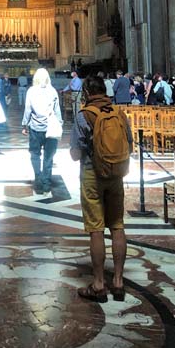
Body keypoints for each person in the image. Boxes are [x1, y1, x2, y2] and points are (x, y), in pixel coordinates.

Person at [70, 75, 133, 303]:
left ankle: (98, 283)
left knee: (96, 229)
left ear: (86, 92)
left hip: (92, 175)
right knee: (117, 225)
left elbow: (76, 153)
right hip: (116, 174)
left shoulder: (83, 114)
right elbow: (130, 145)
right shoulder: (118, 113)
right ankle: (118, 281)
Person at [22, 68, 63, 195]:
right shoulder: (52, 91)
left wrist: (24, 125)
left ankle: (38, 180)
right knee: (48, 157)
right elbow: (57, 110)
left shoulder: (31, 91)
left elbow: (28, 109)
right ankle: (46, 184)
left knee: (35, 154)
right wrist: (60, 123)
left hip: (35, 128)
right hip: (50, 127)